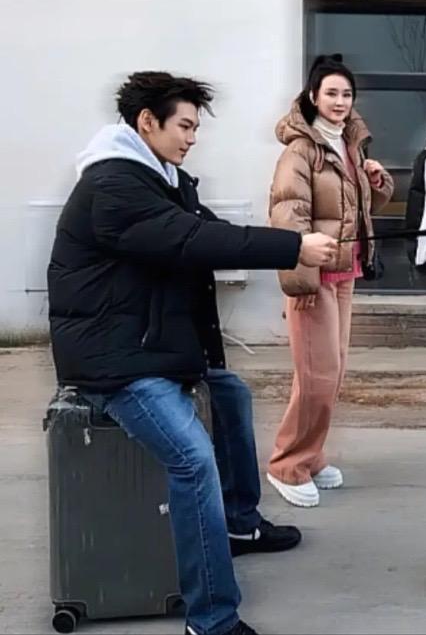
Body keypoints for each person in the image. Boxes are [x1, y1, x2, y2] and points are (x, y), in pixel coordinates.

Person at [47, 71, 339, 635]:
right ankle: (211, 619)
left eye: (195, 127)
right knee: (192, 459)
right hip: (116, 361)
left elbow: (210, 233)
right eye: (184, 125)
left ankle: (238, 524)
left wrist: (294, 246)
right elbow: (190, 240)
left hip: (151, 347)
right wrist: (294, 246)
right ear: (146, 122)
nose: (192, 137)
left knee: (230, 396)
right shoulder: (114, 185)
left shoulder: (162, 179)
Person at [266, 54, 393, 508]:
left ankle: (311, 455)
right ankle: (287, 464)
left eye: (346, 94)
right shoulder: (301, 151)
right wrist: (300, 281)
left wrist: (376, 182)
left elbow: (355, 212)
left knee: (330, 372)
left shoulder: (349, 145)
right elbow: (288, 215)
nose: (340, 102)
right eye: (331, 93)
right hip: (315, 276)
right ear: (313, 97)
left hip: (344, 272)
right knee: (317, 375)